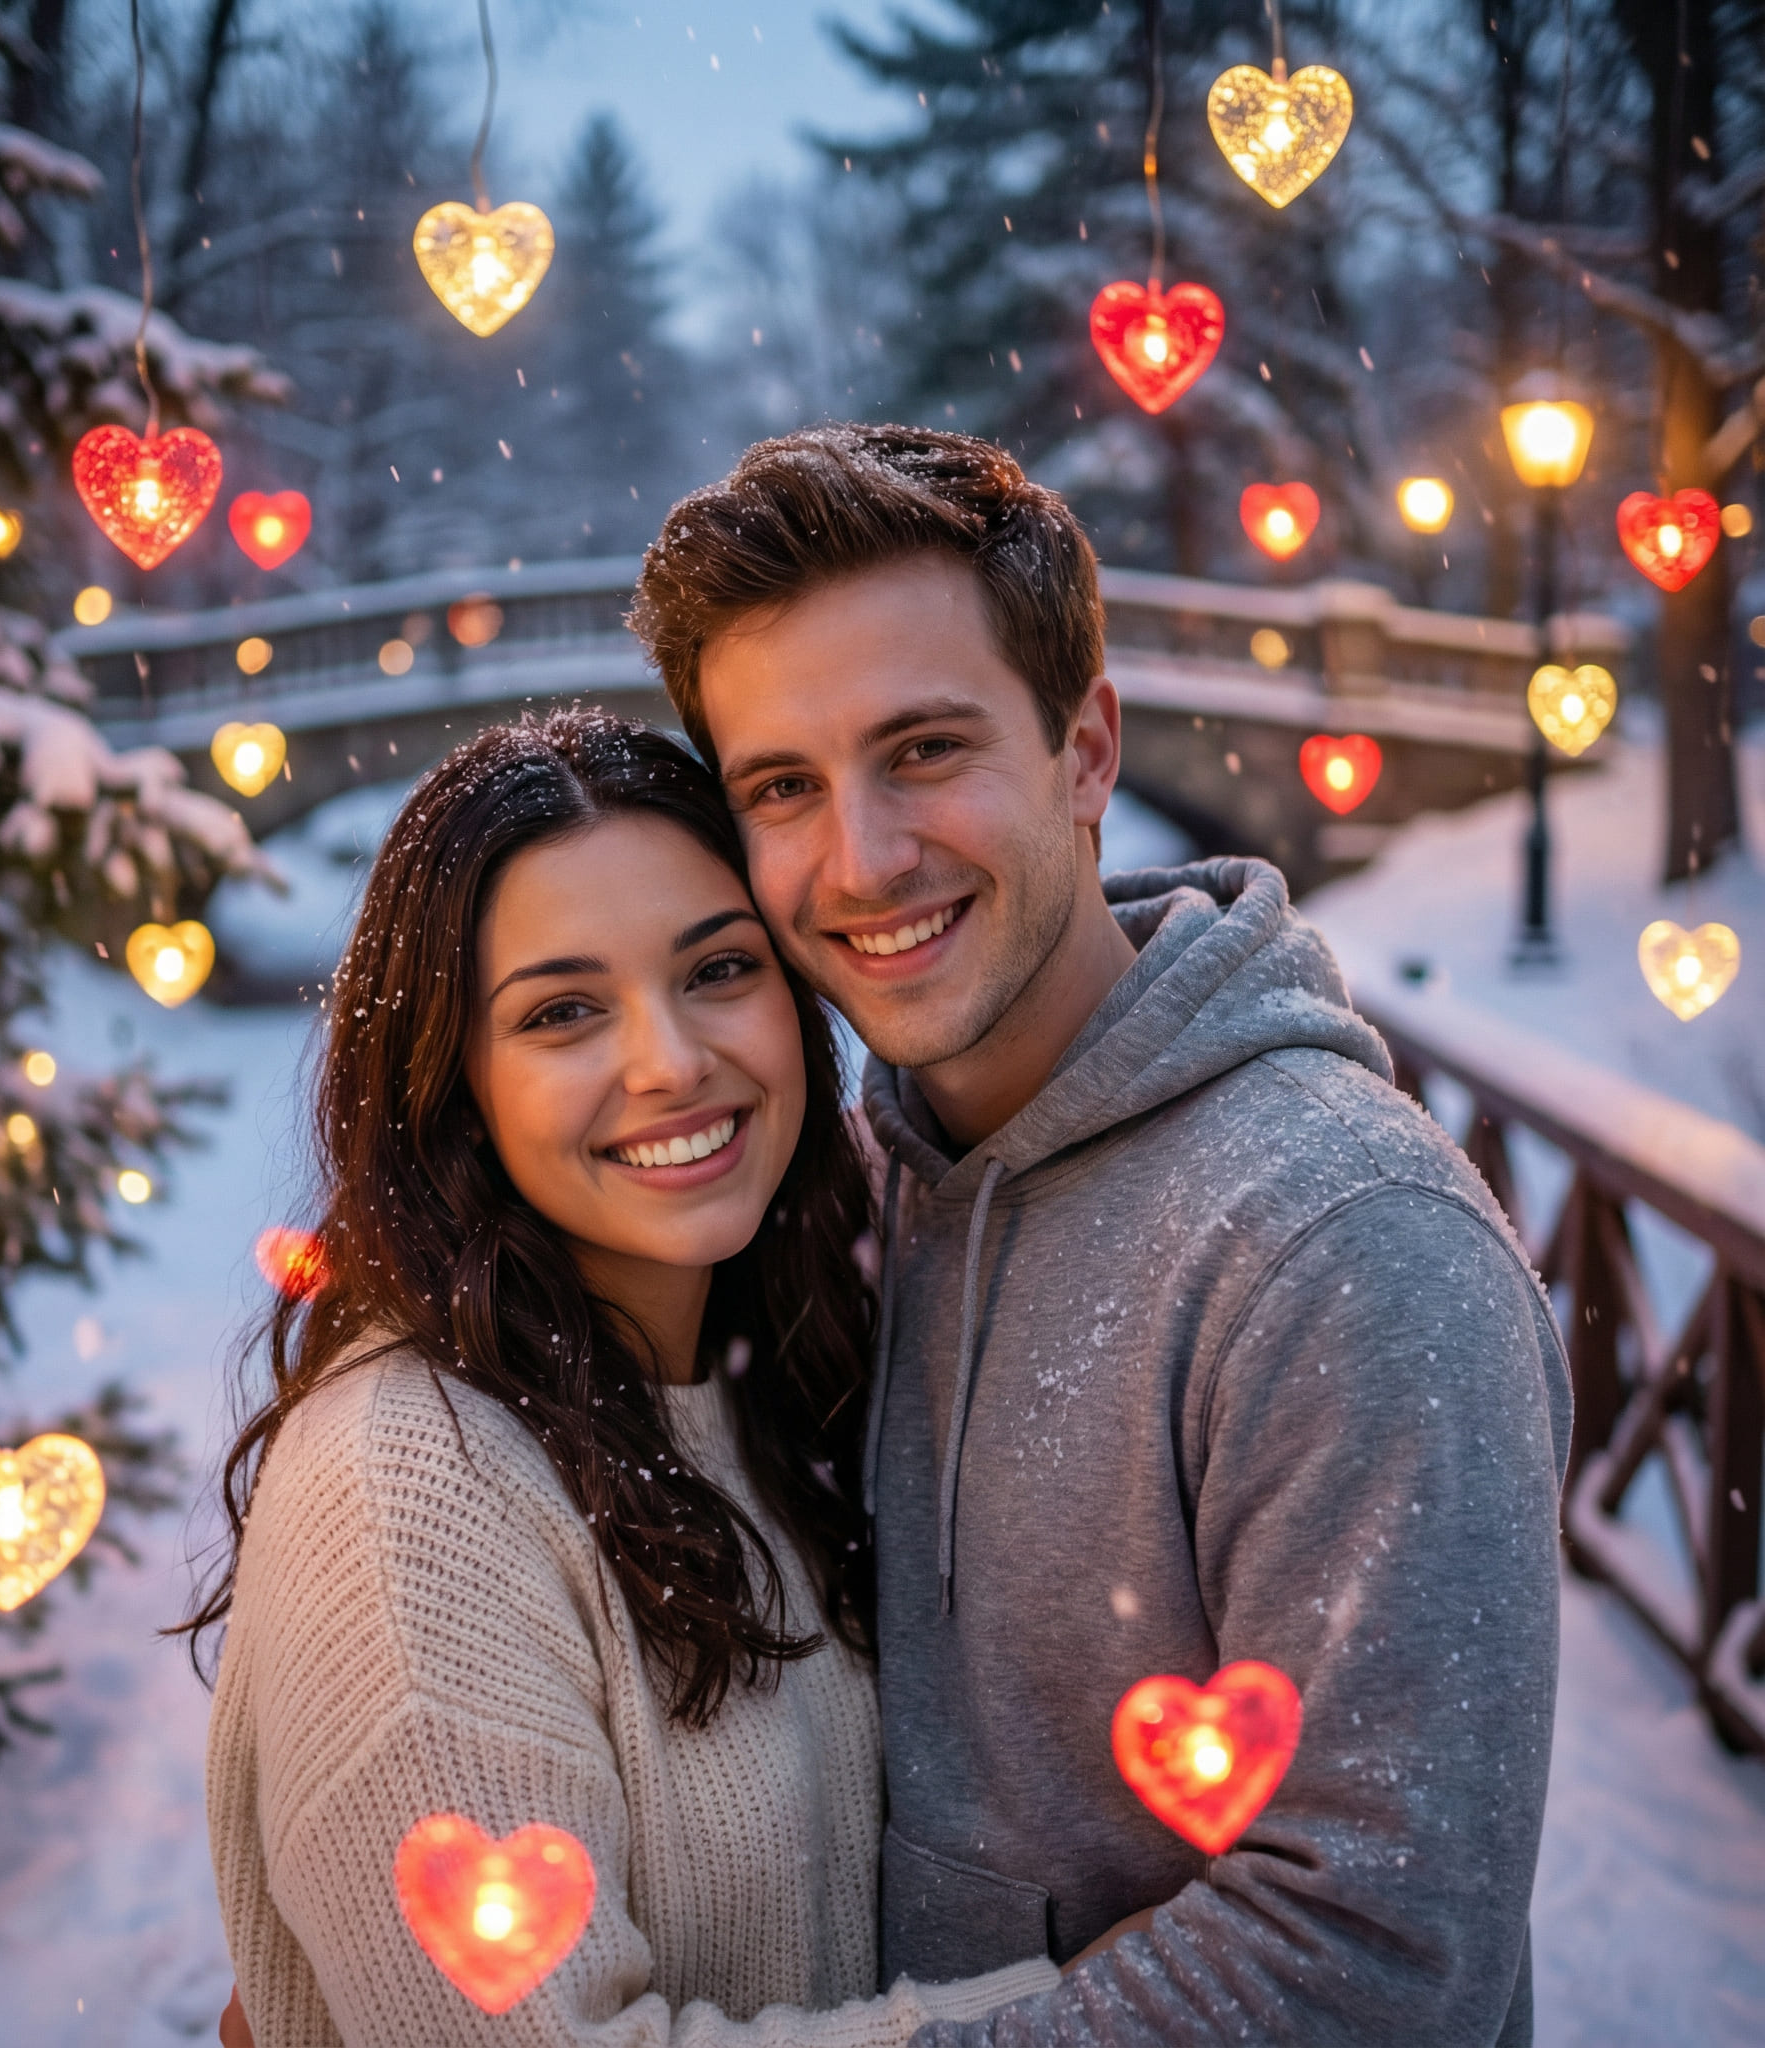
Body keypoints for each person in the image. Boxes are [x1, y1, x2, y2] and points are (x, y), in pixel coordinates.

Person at [629, 425, 1572, 2047]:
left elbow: (1373, 1952)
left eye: (925, 750)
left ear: (1086, 750)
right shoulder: (860, 1188)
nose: (861, 860)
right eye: (783, 787)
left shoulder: (1347, 1245)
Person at [196, 709, 1061, 2047]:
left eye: (718, 970)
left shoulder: (778, 1378)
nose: (668, 1062)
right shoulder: (411, 1485)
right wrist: (1110, 2014)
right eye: (563, 1011)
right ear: (455, 1085)